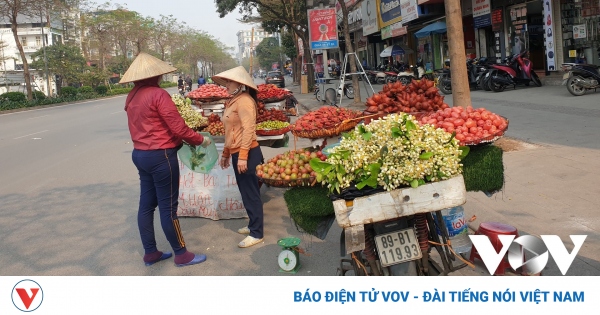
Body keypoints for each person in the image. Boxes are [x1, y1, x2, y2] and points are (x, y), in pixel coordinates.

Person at [120, 52, 212, 267]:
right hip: (161, 156)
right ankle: (181, 254)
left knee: (146, 206)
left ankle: (150, 253)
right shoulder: (158, 94)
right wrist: (200, 140)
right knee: (168, 207)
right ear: (156, 75)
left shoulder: (132, 95)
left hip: (140, 154)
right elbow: (178, 127)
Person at [212, 66, 265, 248]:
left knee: (251, 193)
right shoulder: (234, 100)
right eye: (226, 81)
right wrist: (227, 153)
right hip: (238, 153)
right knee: (246, 192)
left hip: (248, 153)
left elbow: (248, 129)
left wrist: (242, 156)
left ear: (239, 84)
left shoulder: (244, 101)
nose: (226, 84)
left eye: (229, 81)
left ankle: (257, 233)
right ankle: (253, 225)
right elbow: (231, 131)